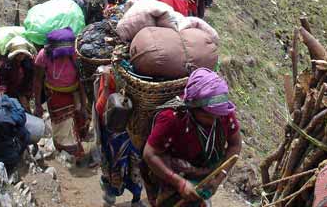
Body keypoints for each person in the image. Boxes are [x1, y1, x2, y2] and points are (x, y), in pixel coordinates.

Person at [143, 68, 242, 207]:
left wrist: (219, 178)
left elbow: (235, 144)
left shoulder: (223, 114)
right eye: (208, 116)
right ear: (192, 108)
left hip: (203, 180)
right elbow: (150, 154)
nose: (214, 120)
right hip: (171, 179)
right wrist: (180, 183)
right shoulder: (171, 119)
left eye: (217, 115)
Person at [33, 28, 89, 159]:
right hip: (54, 95)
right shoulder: (43, 55)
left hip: (73, 93)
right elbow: (37, 81)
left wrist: (83, 103)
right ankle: (69, 151)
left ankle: (73, 149)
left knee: (79, 120)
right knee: (62, 124)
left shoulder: (75, 55)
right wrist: (37, 104)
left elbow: (81, 80)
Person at [94, 66, 144, 207]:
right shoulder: (108, 75)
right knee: (116, 168)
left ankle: (135, 199)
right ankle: (113, 198)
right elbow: (100, 108)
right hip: (115, 137)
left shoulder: (133, 76)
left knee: (134, 167)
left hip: (128, 135)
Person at [0, 36, 36, 112]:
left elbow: (32, 78)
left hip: (24, 92)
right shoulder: (6, 65)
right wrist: (2, 90)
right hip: (9, 93)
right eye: (18, 54)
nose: (20, 56)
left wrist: (27, 93)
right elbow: (1, 79)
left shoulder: (30, 63)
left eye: (22, 54)